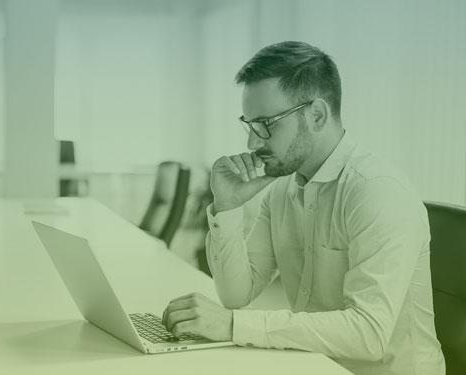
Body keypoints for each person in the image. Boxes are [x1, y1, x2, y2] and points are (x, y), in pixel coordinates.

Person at [161, 41, 445, 375]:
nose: (252, 143)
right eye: (250, 125)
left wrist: (233, 325)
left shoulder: (376, 191)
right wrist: (227, 205)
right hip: (315, 364)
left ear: (317, 115)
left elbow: (369, 334)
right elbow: (236, 294)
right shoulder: (282, 190)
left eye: (267, 124)